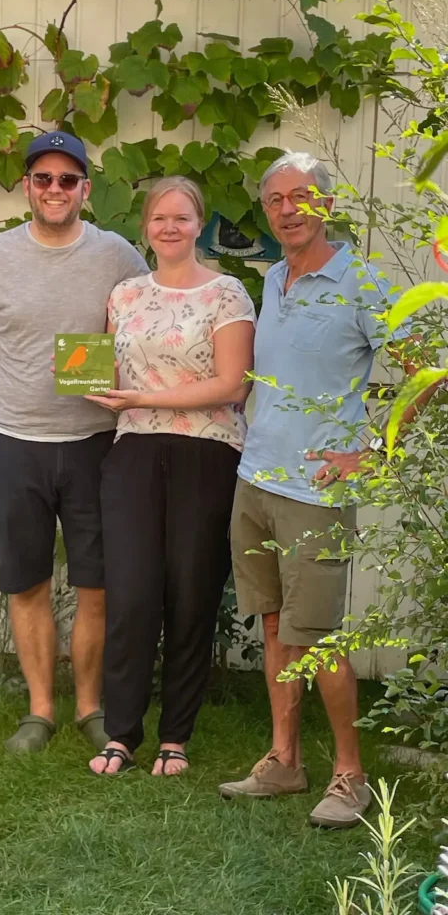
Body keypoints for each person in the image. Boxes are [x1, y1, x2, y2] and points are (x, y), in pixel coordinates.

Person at [219, 151, 407, 828]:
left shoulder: (360, 280)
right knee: (275, 627)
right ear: (265, 212)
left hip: (316, 491)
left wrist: (375, 450)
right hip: (255, 481)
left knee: (318, 635)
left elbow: (423, 372)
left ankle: (350, 775)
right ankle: (284, 761)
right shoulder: (273, 279)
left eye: (302, 196)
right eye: (275, 199)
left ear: (327, 204)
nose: (289, 208)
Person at [0, 130, 148, 755]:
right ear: (27, 187)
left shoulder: (117, 254)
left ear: (85, 189)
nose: (55, 189)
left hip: (95, 442)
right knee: (28, 582)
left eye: (68, 180)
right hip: (12, 443)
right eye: (44, 179)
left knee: (98, 583)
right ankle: (39, 711)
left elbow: (146, 329)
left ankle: (90, 705)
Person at [85, 176, 256, 777]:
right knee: (130, 594)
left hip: (206, 453)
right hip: (132, 451)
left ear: (198, 224)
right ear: (146, 226)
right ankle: (121, 732)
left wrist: (141, 399)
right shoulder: (125, 295)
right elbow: (102, 368)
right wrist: (99, 389)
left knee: (191, 591)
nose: (169, 227)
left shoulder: (227, 294)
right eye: (160, 217)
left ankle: (175, 736)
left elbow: (233, 384)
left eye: (181, 217)